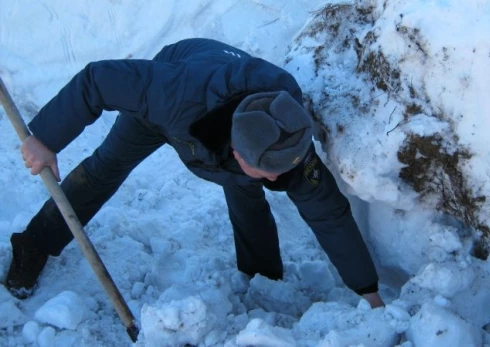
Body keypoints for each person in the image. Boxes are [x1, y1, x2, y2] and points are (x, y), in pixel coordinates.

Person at [5, 38, 384, 308]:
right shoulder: (170, 95)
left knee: (247, 192)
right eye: (266, 170)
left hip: (233, 96)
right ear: (236, 150)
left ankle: (262, 277)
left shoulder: (288, 137)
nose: (276, 180)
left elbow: (329, 213)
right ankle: (34, 244)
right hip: (185, 78)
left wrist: (368, 290)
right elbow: (98, 79)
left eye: (280, 170)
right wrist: (46, 138)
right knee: (108, 165)